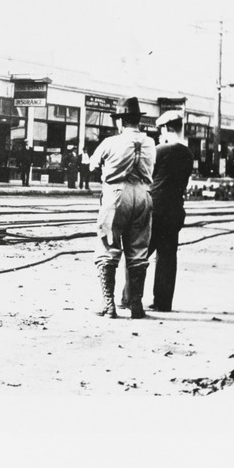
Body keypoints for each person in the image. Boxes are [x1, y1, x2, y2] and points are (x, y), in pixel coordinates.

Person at [89, 96, 156, 319]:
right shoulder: (150, 143)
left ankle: (109, 305)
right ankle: (136, 304)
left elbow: (92, 165)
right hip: (143, 195)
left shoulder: (110, 142)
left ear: (120, 121)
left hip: (116, 195)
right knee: (138, 250)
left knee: (108, 247)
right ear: (138, 120)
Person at [146, 110, 194, 311]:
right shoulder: (188, 154)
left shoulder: (159, 151)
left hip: (155, 211)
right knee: (167, 257)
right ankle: (163, 302)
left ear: (165, 128)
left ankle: (130, 296)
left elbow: (147, 177)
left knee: (138, 254)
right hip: (175, 211)